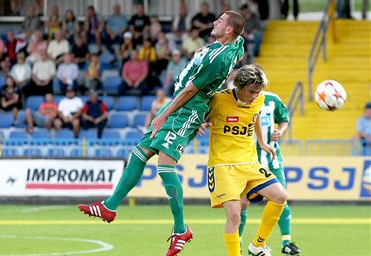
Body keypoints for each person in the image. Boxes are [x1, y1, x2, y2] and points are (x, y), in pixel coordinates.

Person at [78, 10, 246, 256]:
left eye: (219, 21)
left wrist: (168, 113)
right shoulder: (233, 45)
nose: (214, 22)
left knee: (165, 165)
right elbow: (239, 43)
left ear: (229, 29)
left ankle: (181, 230)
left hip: (185, 108)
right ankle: (110, 206)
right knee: (138, 154)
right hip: (182, 107)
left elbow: (191, 90)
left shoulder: (218, 58)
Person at [206, 64, 287, 256]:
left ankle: (257, 245)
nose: (254, 96)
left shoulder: (259, 100)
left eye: (257, 92)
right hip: (222, 165)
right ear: (239, 86)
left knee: (280, 196)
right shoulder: (218, 99)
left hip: (249, 162)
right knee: (235, 215)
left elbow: (255, 116)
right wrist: (201, 123)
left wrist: (262, 141)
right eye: (251, 91)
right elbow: (200, 115)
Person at [237, 90, 301, 255]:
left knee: (281, 199)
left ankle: (286, 242)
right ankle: (238, 240)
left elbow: (284, 119)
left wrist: (280, 130)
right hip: (247, 160)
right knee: (242, 203)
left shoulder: (272, 99)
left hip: (272, 160)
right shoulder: (237, 97)